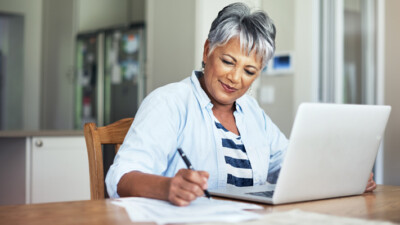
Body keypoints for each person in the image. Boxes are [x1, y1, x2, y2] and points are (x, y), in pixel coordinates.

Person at [106, 2, 376, 206]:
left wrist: (343, 177)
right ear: (207, 50)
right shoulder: (169, 102)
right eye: (228, 62)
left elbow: (289, 166)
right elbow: (120, 178)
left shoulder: (252, 111)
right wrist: (167, 187)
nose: (235, 79)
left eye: (249, 71)